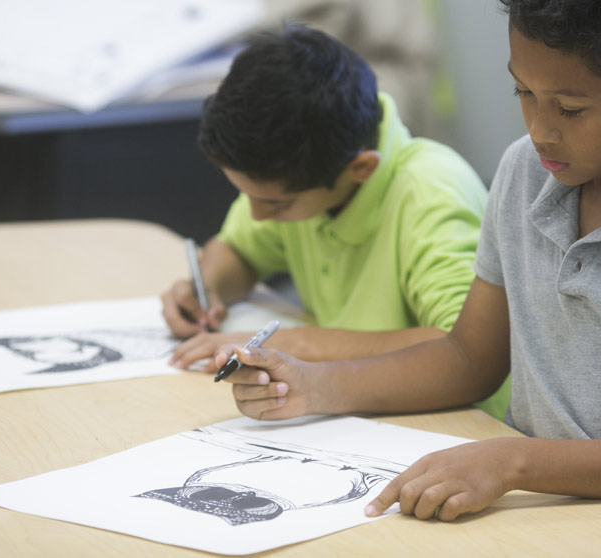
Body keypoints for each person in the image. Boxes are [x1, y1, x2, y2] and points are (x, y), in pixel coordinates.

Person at [212, 1, 601, 556]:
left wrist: (513, 461)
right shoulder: (525, 171)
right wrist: (313, 386)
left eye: (569, 108)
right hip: (540, 512)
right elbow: (468, 358)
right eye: (524, 92)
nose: (540, 130)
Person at [160, 24, 509, 419]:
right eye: (248, 196)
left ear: (360, 168)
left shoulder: (432, 195)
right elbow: (241, 249)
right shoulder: (301, 170)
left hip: (456, 423)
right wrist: (208, 288)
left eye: (274, 204)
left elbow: (463, 349)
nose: (257, 214)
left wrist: (299, 345)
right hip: (354, 415)